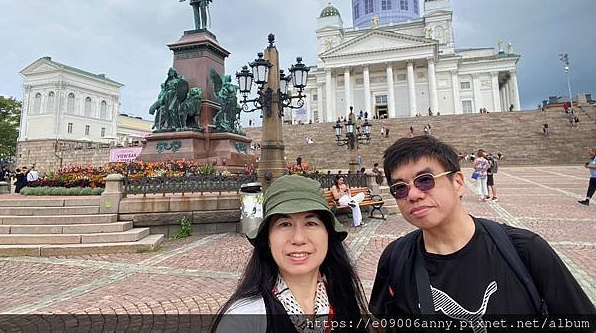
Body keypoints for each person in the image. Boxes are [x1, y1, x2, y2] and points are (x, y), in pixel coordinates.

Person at [370, 136, 595, 322]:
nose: (413, 195)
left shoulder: (525, 250)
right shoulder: (395, 258)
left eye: (425, 180)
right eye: (399, 188)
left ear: (458, 183)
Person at [211, 175, 369, 333]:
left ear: (328, 234)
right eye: (285, 224)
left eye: (310, 223)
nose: (298, 239)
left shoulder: (344, 299)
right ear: (268, 239)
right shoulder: (244, 319)